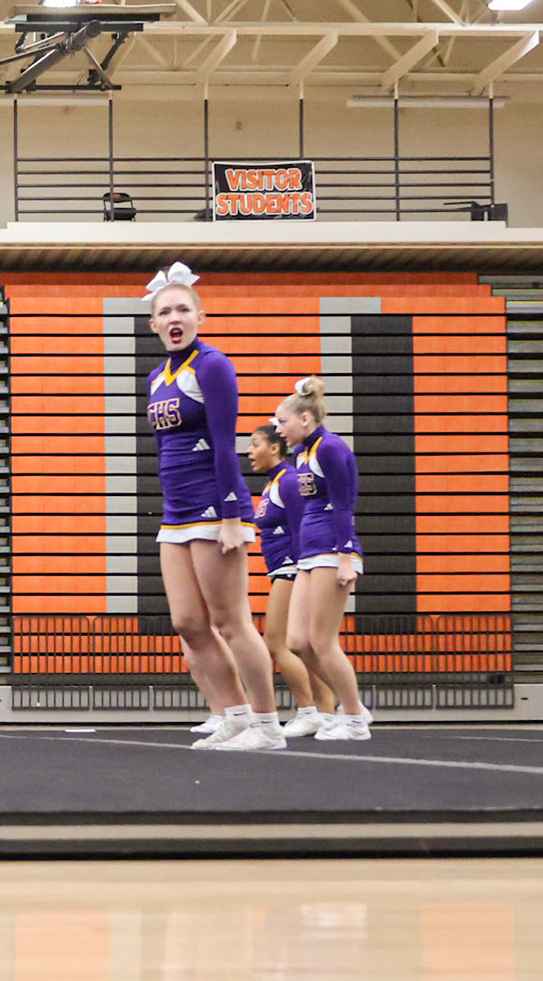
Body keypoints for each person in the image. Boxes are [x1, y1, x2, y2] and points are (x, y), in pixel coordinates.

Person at [143, 262, 284, 751]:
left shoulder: (213, 365)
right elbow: (166, 451)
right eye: (165, 311)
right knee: (187, 623)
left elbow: (226, 445)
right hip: (176, 512)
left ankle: (267, 724)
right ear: (154, 324)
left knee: (230, 621)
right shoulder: (157, 377)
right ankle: (235, 715)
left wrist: (230, 517)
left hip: (213, 508)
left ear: (200, 316)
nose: (174, 317)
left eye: (183, 308)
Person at [275, 376, 371, 742]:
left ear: (304, 419)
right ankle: (352, 707)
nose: (278, 429)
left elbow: (345, 503)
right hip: (310, 554)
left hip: (334, 551)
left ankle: (354, 719)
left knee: (324, 641)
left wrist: (347, 555)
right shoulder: (302, 453)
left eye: (282, 421)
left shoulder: (331, 448)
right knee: (298, 641)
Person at [247, 419, 333, 737]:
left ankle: (308, 711)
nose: (249, 451)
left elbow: (303, 527)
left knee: (276, 641)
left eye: (255, 444)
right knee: (301, 645)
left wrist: (304, 570)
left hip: (292, 568)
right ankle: (325, 712)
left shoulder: (288, 481)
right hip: (284, 569)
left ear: (274, 447)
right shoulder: (275, 482)